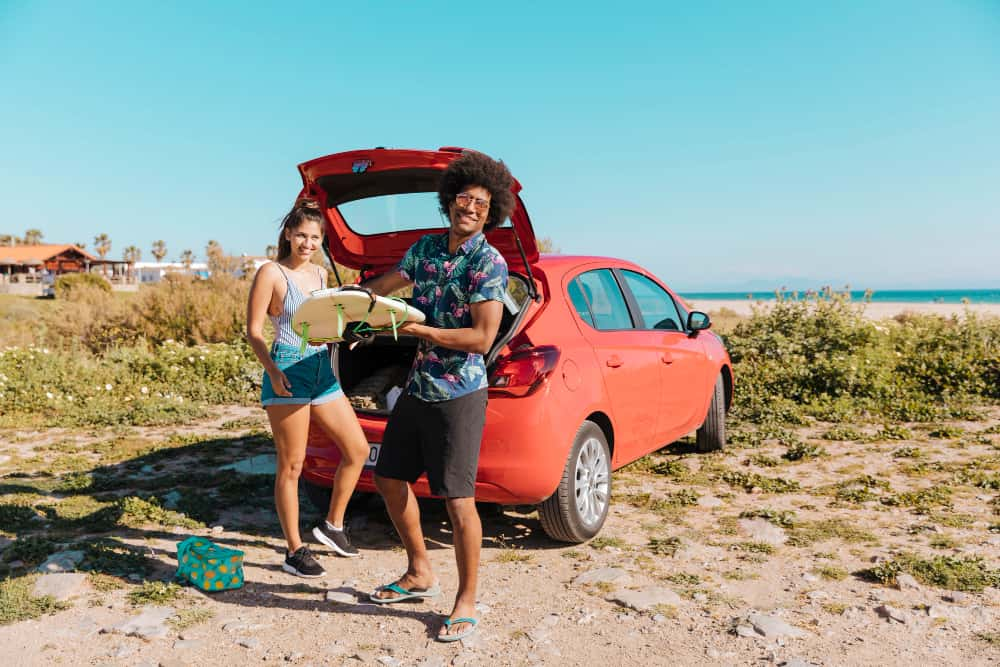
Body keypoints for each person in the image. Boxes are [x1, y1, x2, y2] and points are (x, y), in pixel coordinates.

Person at [361, 151, 514, 642]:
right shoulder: (426, 248)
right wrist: (344, 305)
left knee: (458, 500)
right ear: (449, 201)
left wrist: (420, 328)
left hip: (460, 392)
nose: (470, 207)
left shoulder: (490, 263)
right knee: (388, 478)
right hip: (420, 384)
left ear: (491, 213)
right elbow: (382, 289)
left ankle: (466, 599)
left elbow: (481, 339)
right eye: (464, 198)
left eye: (481, 203)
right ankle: (419, 571)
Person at [246, 199, 370, 577]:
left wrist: (347, 332)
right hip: (287, 369)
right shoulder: (271, 272)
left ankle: (332, 525)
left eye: (315, 237)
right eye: (301, 235)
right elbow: (253, 331)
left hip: (319, 368)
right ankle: (294, 550)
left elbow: (323, 323)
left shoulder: (319, 275)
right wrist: (272, 370)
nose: (308, 243)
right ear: (288, 234)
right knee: (292, 465)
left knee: (357, 449)